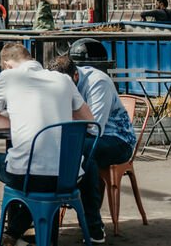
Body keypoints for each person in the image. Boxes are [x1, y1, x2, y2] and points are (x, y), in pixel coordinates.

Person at [0, 43, 95, 246]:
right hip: (67, 177)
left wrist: (20, 121)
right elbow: (88, 120)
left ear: (7, 65)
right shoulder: (64, 79)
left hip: (27, 176)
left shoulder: (10, 77)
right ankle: (17, 233)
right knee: (41, 167)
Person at [49, 55, 136, 244]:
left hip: (118, 139)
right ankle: (75, 217)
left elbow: (95, 128)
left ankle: (92, 224)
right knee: (60, 152)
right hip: (86, 137)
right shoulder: (59, 83)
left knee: (81, 154)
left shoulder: (98, 83)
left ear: (75, 77)